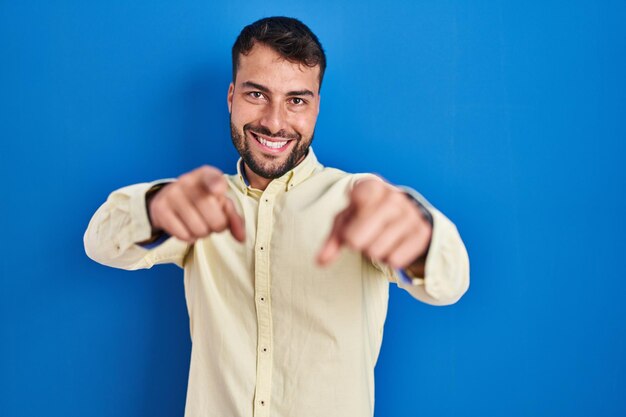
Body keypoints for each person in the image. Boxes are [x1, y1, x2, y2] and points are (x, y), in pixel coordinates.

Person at [84, 16, 469, 417]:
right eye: (256, 94)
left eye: (297, 100)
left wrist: (421, 241)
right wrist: (153, 208)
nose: (274, 121)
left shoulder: (359, 202)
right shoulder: (196, 205)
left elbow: (450, 283)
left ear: (317, 106)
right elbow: (99, 244)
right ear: (231, 96)